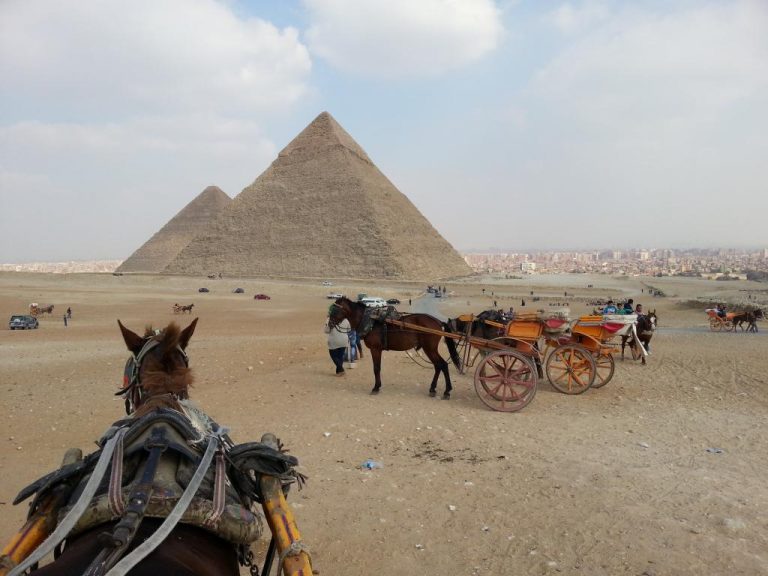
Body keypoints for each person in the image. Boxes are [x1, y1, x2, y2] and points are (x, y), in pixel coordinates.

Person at [324, 310, 351, 376]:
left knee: (333, 355)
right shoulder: (346, 320)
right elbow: (349, 329)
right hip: (344, 340)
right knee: (340, 356)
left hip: (334, 340)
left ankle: (341, 370)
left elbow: (326, 331)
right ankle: (338, 372)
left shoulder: (330, 319)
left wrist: (327, 323)